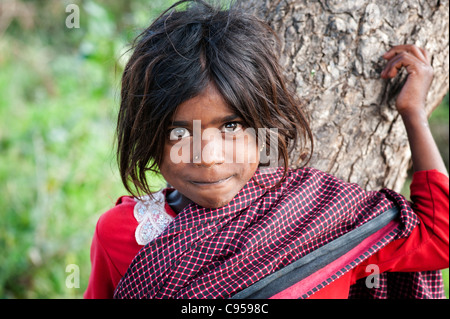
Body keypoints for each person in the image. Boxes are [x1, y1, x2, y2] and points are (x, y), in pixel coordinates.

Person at [84, 0, 449, 299]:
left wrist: (413, 114)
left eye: (231, 126)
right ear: (148, 135)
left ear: (264, 128)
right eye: (178, 132)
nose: (208, 157)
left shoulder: (322, 216)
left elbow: (439, 238)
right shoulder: (120, 234)